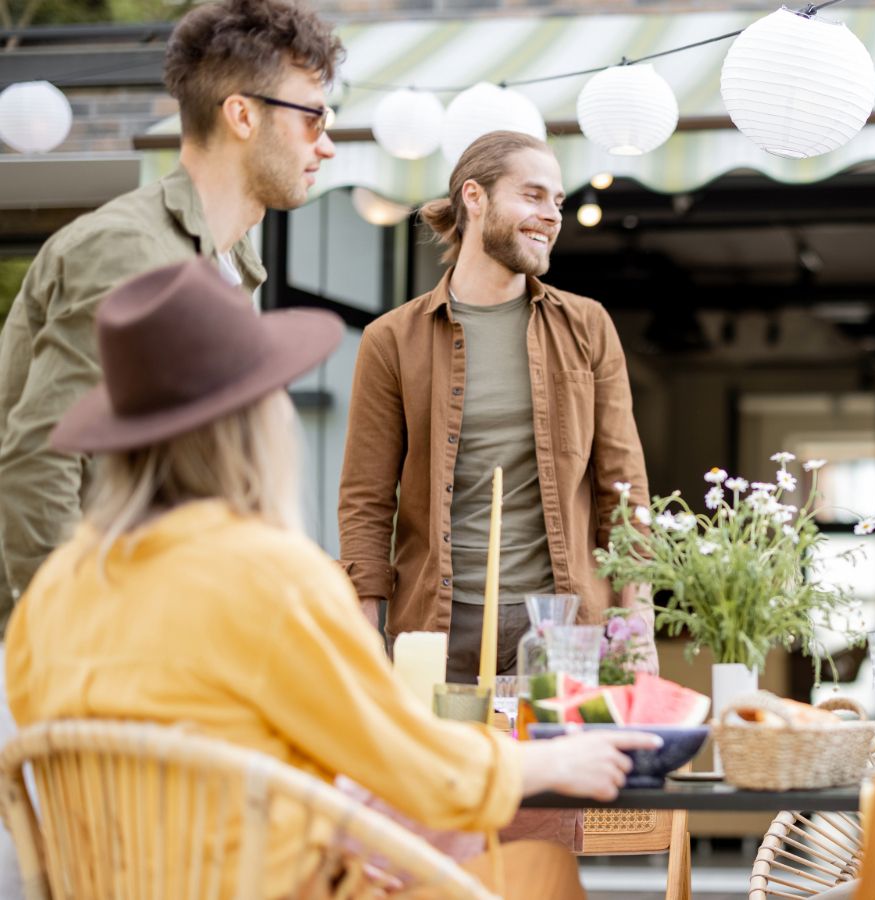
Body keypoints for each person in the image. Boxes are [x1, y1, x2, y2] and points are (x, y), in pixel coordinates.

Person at [4, 257, 659, 897]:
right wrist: (543, 761)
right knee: (536, 868)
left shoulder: (55, 592)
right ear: (250, 423)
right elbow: (409, 762)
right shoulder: (267, 575)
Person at [0, 0, 341, 613]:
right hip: (78, 648)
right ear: (242, 115)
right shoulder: (128, 249)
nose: (328, 146)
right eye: (315, 118)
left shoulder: (231, 262)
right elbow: (39, 459)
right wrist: (72, 633)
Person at [338, 130, 653, 684]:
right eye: (532, 196)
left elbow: (624, 489)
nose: (552, 215)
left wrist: (639, 623)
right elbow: (366, 497)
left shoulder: (587, 327)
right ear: (474, 197)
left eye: (557, 201)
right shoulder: (392, 340)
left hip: (566, 622)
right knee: (447, 773)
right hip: (438, 631)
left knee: (566, 772)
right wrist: (365, 626)